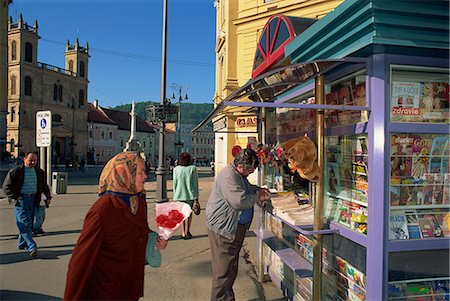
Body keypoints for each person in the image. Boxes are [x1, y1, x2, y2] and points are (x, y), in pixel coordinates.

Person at [64, 151, 168, 301]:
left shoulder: (138, 201)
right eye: (141, 172)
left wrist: (155, 240)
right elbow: (81, 262)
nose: (145, 176)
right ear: (125, 174)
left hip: (131, 288)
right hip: (107, 292)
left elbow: (139, 231)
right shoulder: (102, 209)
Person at [205, 148, 270, 301]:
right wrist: (257, 195)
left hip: (232, 227)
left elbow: (246, 188)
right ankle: (220, 298)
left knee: (230, 268)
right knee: (223, 271)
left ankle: (227, 298)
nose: (250, 173)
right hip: (224, 229)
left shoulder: (237, 174)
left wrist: (257, 189)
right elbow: (239, 201)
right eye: (250, 171)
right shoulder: (229, 175)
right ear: (241, 166)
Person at [2, 152, 52, 257]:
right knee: (24, 223)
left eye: (35, 160)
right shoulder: (16, 171)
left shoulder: (39, 172)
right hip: (22, 200)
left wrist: (48, 197)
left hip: (34, 199)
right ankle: (31, 246)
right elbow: (6, 186)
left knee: (28, 223)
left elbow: (44, 186)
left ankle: (21, 243)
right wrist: (15, 196)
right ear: (24, 159)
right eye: (30, 160)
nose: (33, 162)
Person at [173, 152, 199, 240]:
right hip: (190, 195)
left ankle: (183, 232)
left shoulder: (176, 169)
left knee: (182, 215)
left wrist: (175, 195)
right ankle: (188, 231)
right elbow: (195, 183)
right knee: (189, 214)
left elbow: (175, 183)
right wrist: (196, 196)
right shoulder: (193, 168)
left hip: (179, 195)